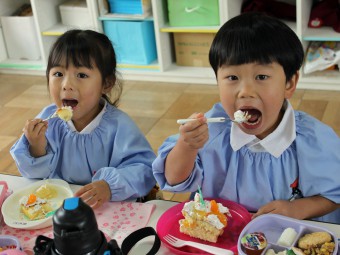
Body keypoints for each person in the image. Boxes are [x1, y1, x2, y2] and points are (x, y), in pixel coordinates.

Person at [152, 12, 340, 223]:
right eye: (232, 77)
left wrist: (296, 209)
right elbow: (173, 179)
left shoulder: (313, 140)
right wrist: (187, 146)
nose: (245, 91)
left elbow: (334, 194)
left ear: (289, 83)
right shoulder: (211, 131)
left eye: (261, 77)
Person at [10, 29, 156, 209]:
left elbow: (144, 170)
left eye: (81, 75)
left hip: (108, 208)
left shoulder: (119, 126)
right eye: (58, 74)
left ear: (106, 84)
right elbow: (33, 177)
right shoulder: (49, 121)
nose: (67, 85)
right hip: (59, 209)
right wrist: (36, 147)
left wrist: (109, 186)